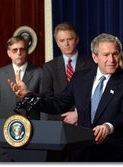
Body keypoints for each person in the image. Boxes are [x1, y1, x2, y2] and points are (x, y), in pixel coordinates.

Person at [9, 33, 123, 162]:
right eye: (106, 55)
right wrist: (28, 95)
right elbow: (57, 104)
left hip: (113, 153)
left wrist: (108, 127)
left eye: (115, 54)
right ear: (95, 57)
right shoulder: (80, 78)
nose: (112, 60)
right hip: (82, 153)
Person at [41, 22, 95, 161]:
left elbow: (96, 95)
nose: (66, 44)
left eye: (69, 39)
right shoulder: (49, 67)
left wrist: (78, 113)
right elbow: (47, 98)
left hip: (84, 126)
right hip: (58, 128)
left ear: (76, 39)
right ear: (57, 43)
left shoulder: (91, 64)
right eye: (62, 40)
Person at [0, 35, 43, 161]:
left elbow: (43, 106)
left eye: (22, 49)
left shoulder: (39, 73)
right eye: (14, 50)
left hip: (32, 136)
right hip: (5, 137)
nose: (19, 53)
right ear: (9, 53)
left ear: (27, 51)